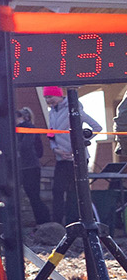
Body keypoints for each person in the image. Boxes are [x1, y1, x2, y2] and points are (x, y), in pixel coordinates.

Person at [46, 86, 101, 226]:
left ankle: (77, 222)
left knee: (76, 192)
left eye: (50, 97)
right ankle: (57, 224)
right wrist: (56, 150)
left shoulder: (75, 109)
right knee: (57, 190)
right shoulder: (51, 112)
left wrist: (80, 142)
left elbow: (96, 127)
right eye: (46, 97)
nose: (48, 100)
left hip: (77, 158)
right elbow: (51, 134)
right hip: (61, 159)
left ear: (58, 95)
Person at [14, 105, 53, 226]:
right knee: (33, 196)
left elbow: (26, 145)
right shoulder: (31, 129)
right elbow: (40, 150)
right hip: (29, 165)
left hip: (28, 166)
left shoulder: (26, 128)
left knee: (33, 196)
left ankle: (43, 221)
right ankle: (42, 222)